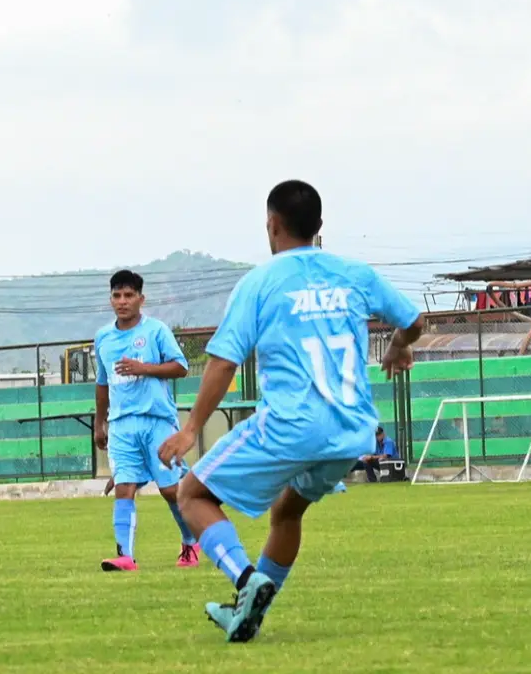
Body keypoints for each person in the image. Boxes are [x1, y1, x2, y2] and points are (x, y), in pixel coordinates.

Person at [158, 180, 423, 644]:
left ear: (272, 224)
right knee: (288, 512)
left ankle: (244, 582)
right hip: (351, 432)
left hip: (291, 424)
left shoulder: (261, 282)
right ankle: (249, 617)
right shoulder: (354, 275)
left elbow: (223, 361)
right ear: (319, 227)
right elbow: (415, 322)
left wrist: (191, 429)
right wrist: (398, 348)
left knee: (191, 495)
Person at [93, 269, 200, 571]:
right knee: (124, 486)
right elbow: (102, 383)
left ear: (142, 298)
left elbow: (180, 367)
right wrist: (101, 423)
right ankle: (125, 556)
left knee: (170, 491)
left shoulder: (156, 331)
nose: (122, 301)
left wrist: (144, 368)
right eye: (117, 296)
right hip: (122, 425)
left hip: (157, 420)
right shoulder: (103, 337)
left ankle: (190, 542)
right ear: (111, 299)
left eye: (129, 295)